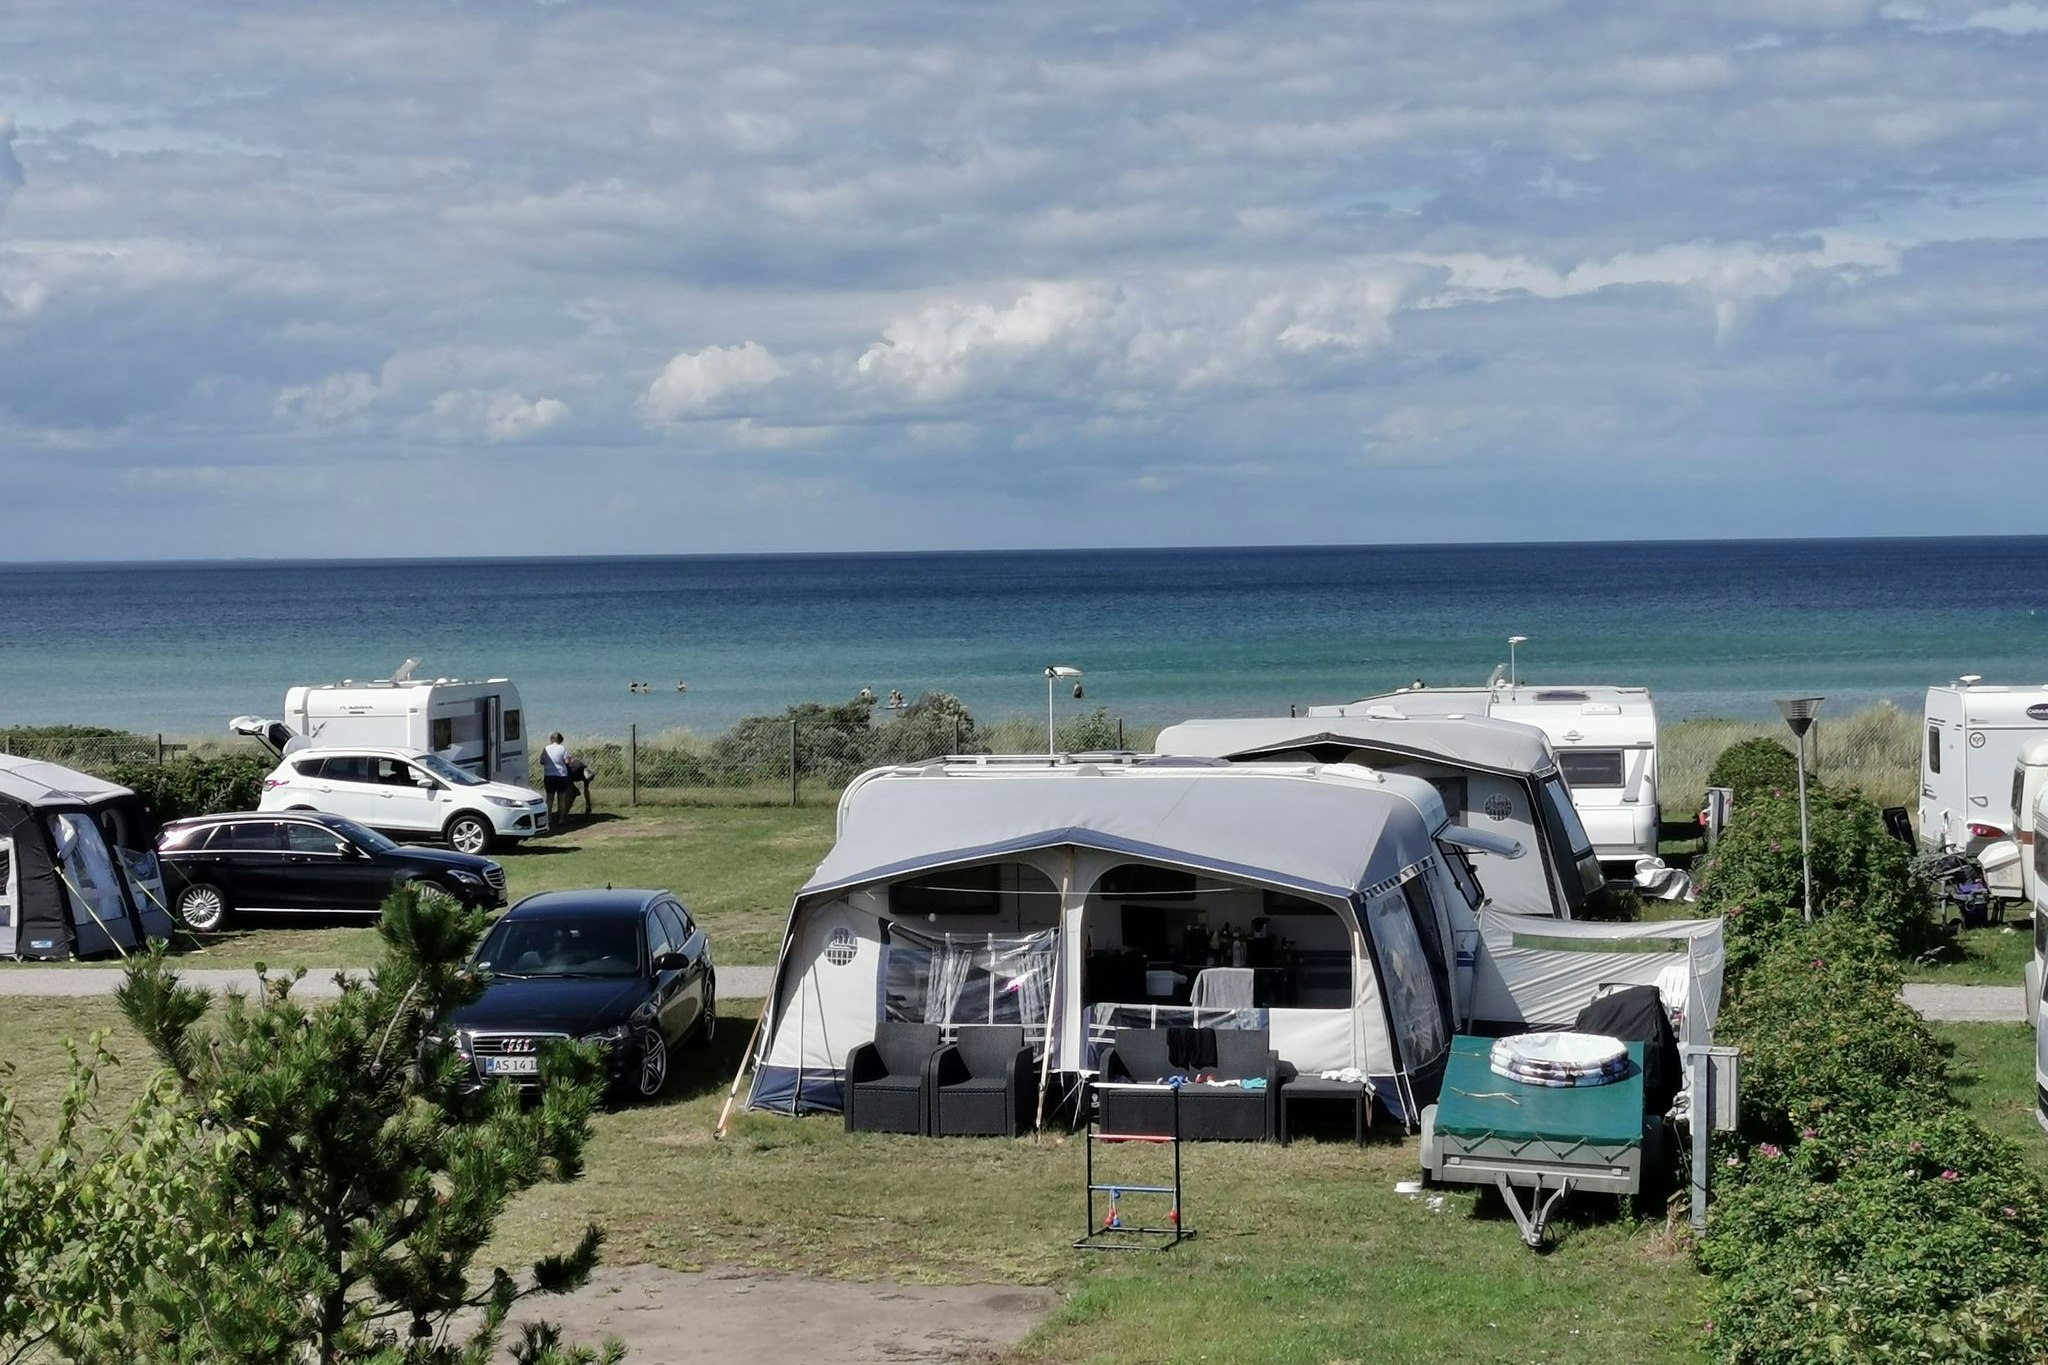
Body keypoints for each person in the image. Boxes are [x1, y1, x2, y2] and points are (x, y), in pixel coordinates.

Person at [541, 732, 573, 824]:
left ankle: (548, 819)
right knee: (562, 798)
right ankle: (561, 819)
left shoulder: (546, 749)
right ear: (560, 740)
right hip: (561, 776)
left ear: (551, 739)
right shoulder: (562, 749)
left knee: (549, 798)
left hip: (549, 776)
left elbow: (542, 761)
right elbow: (567, 761)